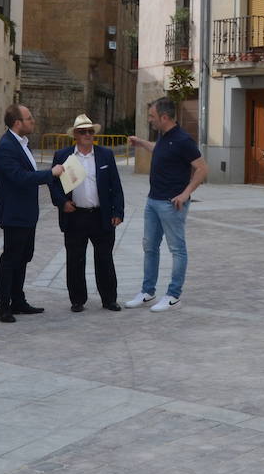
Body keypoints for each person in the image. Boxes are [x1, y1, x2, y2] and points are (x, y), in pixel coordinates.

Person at [125, 96, 207, 312]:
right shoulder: (163, 136)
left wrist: (185, 194)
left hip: (172, 204)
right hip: (153, 201)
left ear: (164, 117)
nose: (150, 120)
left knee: (177, 249)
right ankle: (147, 291)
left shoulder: (183, 140)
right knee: (149, 246)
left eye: (152, 116)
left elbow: (202, 169)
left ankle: (173, 295)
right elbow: (160, 150)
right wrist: (141, 143)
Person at [0, 103, 63, 323]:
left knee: (23, 257)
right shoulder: (6, 147)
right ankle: (4, 306)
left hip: (27, 213)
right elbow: (19, 177)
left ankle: (18, 300)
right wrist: (50, 174)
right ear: (17, 123)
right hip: (14, 213)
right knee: (11, 259)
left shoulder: (23, 144)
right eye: (29, 118)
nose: (33, 121)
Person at [48, 113, 124, 312]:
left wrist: (118, 211)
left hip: (101, 215)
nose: (88, 135)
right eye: (83, 132)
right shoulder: (63, 156)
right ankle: (77, 300)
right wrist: (62, 203)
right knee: (75, 259)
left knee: (105, 259)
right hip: (75, 216)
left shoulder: (105, 155)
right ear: (75, 135)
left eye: (91, 131)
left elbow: (115, 186)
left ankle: (109, 299)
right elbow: (54, 185)